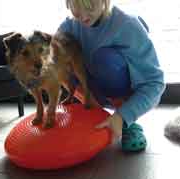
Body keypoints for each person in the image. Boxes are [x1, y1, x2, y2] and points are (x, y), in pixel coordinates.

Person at [58, 0, 165, 151]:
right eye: (76, 9)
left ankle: (128, 123)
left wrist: (123, 116)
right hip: (93, 93)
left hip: (121, 90)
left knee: (104, 58)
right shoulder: (69, 27)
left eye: (89, 7)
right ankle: (89, 111)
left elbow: (155, 83)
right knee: (59, 58)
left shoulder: (128, 25)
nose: (82, 16)